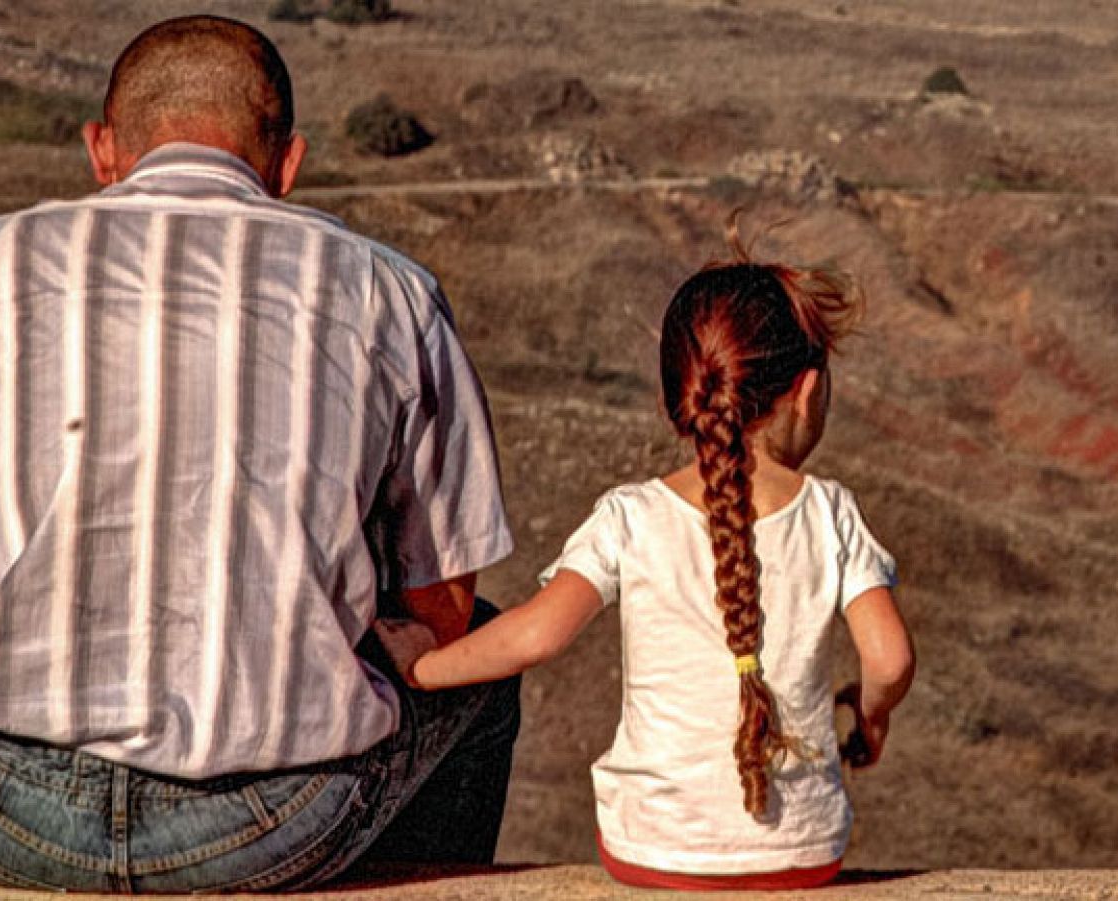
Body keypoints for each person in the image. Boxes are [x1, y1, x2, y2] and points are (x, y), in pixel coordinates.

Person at [0, 15, 520, 891]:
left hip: (4, 808)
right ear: (286, 165)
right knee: (487, 657)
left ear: (102, 150)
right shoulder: (391, 291)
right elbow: (446, 615)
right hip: (272, 824)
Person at [376, 233, 917, 890]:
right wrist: (871, 711)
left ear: (679, 402)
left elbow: (537, 632)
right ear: (805, 392)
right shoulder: (830, 511)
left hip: (654, 850)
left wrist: (425, 665)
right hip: (805, 856)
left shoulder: (630, 515)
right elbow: (889, 659)